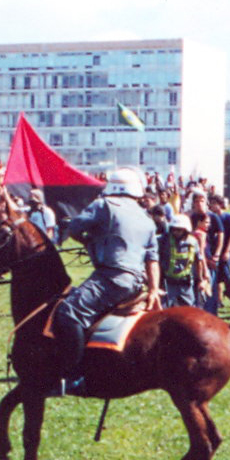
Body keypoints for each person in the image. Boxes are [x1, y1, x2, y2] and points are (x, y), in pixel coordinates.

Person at [48, 166, 161, 396]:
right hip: (136, 282)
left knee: (68, 312)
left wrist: (89, 241)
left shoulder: (104, 204)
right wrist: (154, 290)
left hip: (111, 277)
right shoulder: (147, 219)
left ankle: (74, 378)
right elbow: (153, 260)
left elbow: (74, 226)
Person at [162, 213, 207, 308]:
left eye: (179, 230)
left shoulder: (193, 242)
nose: (176, 232)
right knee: (163, 309)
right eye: (174, 229)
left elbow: (198, 260)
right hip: (168, 283)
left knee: (190, 309)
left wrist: (200, 279)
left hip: (185, 284)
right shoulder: (164, 241)